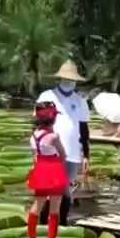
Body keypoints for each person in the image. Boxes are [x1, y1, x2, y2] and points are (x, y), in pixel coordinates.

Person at [35, 60, 91, 226]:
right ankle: (44, 226)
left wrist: (86, 155)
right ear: (59, 79)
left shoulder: (81, 102)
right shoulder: (47, 97)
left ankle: (62, 224)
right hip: (49, 152)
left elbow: (84, 129)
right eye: (66, 79)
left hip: (72, 154)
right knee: (48, 190)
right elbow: (37, 124)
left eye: (72, 80)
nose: (68, 83)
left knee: (65, 191)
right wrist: (36, 149)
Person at [24, 102, 68, 238]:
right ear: (53, 118)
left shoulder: (33, 136)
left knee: (37, 205)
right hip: (54, 171)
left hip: (40, 170)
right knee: (54, 208)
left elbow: (35, 156)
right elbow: (63, 155)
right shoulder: (54, 137)